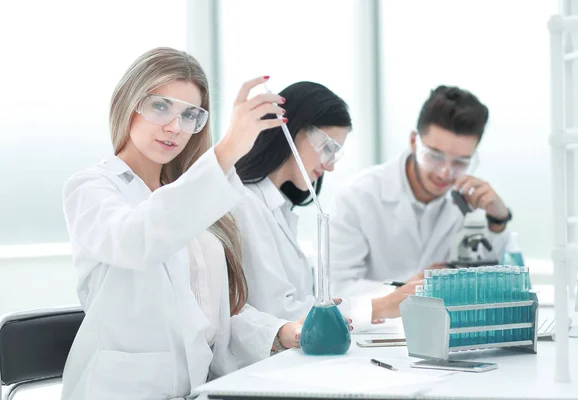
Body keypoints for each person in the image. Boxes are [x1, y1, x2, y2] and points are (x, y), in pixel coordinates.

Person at [61, 47, 301, 400]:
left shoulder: (188, 197)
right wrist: (226, 151)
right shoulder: (91, 188)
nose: (175, 127)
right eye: (161, 106)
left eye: (190, 115)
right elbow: (136, 240)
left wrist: (282, 331)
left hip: (195, 387)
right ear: (128, 103)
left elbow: (206, 316)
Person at [329, 85, 512, 320]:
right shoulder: (356, 197)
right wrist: (410, 290)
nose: (445, 172)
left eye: (460, 162)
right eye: (435, 156)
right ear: (414, 141)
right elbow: (338, 288)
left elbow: (492, 279)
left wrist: (497, 220)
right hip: (371, 334)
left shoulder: (470, 201)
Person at [233, 82, 377, 329]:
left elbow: (301, 301)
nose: (330, 165)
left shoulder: (280, 208)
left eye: (335, 154)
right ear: (292, 130)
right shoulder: (246, 202)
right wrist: (379, 306)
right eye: (328, 148)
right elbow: (280, 311)